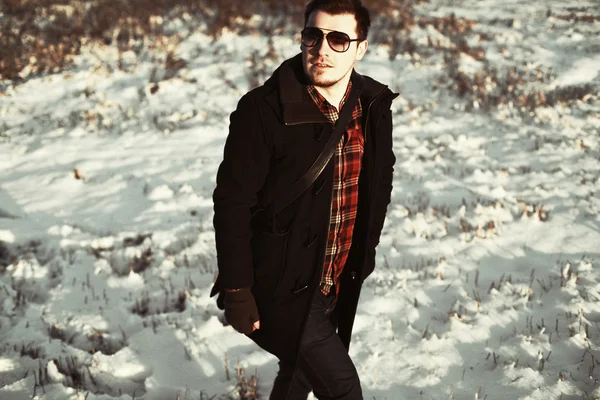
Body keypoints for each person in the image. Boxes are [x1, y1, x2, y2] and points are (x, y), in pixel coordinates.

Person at [211, 0, 398, 398]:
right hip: (281, 282)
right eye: (313, 36)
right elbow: (232, 203)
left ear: (360, 48)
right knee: (343, 389)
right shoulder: (262, 111)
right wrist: (238, 289)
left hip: (336, 275)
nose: (323, 49)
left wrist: (367, 249)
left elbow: (381, 180)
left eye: (338, 39)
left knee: (297, 373)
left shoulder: (371, 105)